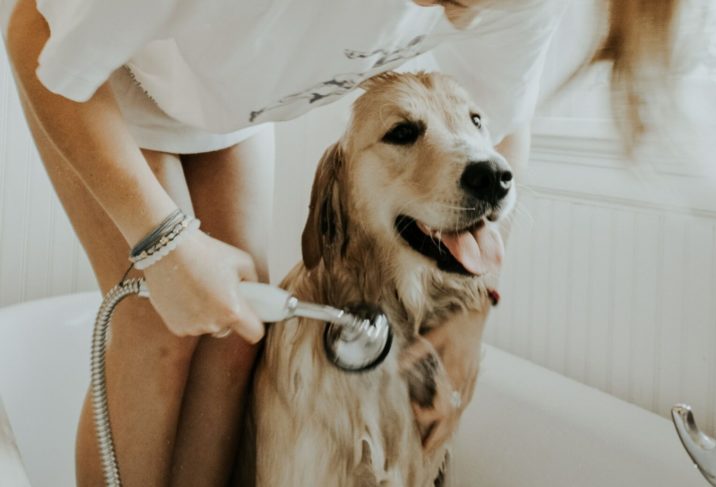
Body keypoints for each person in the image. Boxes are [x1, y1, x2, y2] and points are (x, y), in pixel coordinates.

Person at [0, 0, 679, 485]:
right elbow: (34, 32)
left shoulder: (513, 4)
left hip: (226, 104)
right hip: (102, 79)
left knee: (236, 337)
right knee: (160, 325)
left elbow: (501, 136)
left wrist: (471, 313)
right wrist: (163, 243)